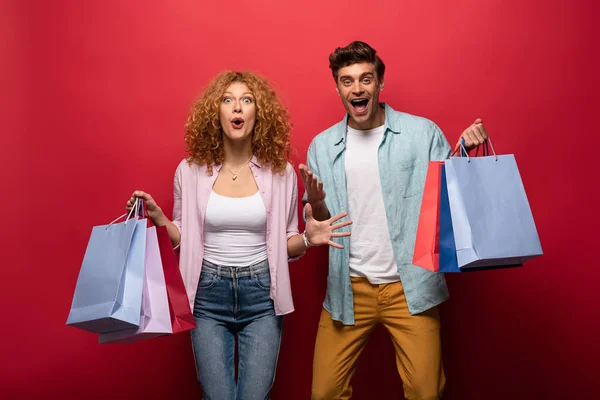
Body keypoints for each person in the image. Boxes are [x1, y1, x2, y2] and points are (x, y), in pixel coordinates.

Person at [126, 71, 351, 400]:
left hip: (263, 295)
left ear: (257, 113)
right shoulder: (188, 171)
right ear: (215, 114)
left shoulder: (281, 173)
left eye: (246, 100)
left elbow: (287, 242)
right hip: (207, 297)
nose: (237, 107)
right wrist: (161, 220)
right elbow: (182, 239)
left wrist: (307, 238)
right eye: (228, 100)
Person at [300, 41, 489, 400]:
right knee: (324, 393)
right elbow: (320, 224)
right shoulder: (322, 147)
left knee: (424, 392)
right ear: (337, 87)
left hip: (410, 288)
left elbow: (448, 196)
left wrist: (463, 150)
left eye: (365, 79)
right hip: (349, 289)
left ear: (380, 82)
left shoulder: (421, 134)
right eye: (347, 80)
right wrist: (320, 204)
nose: (357, 88)